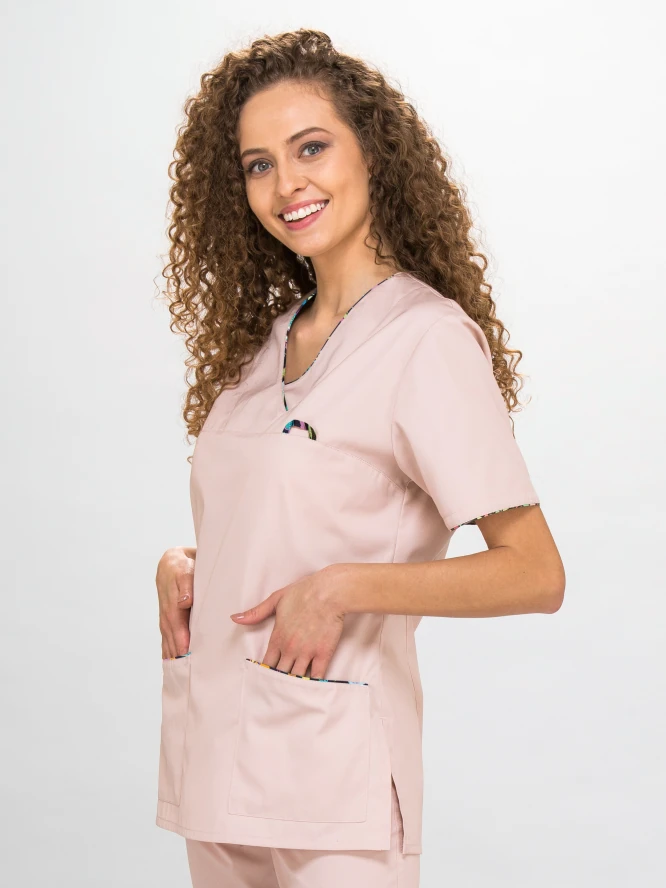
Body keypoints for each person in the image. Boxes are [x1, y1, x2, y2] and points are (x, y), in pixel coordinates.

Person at [154, 28, 565, 888]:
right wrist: (191, 564)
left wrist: (344, 587)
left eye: (311, 148)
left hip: (333, 784)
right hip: (217, 769)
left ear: (372, 152)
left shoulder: (424, 340)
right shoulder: (258, 351)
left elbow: (534, 572)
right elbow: (282, 521)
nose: (286, 184)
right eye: (258, 164)